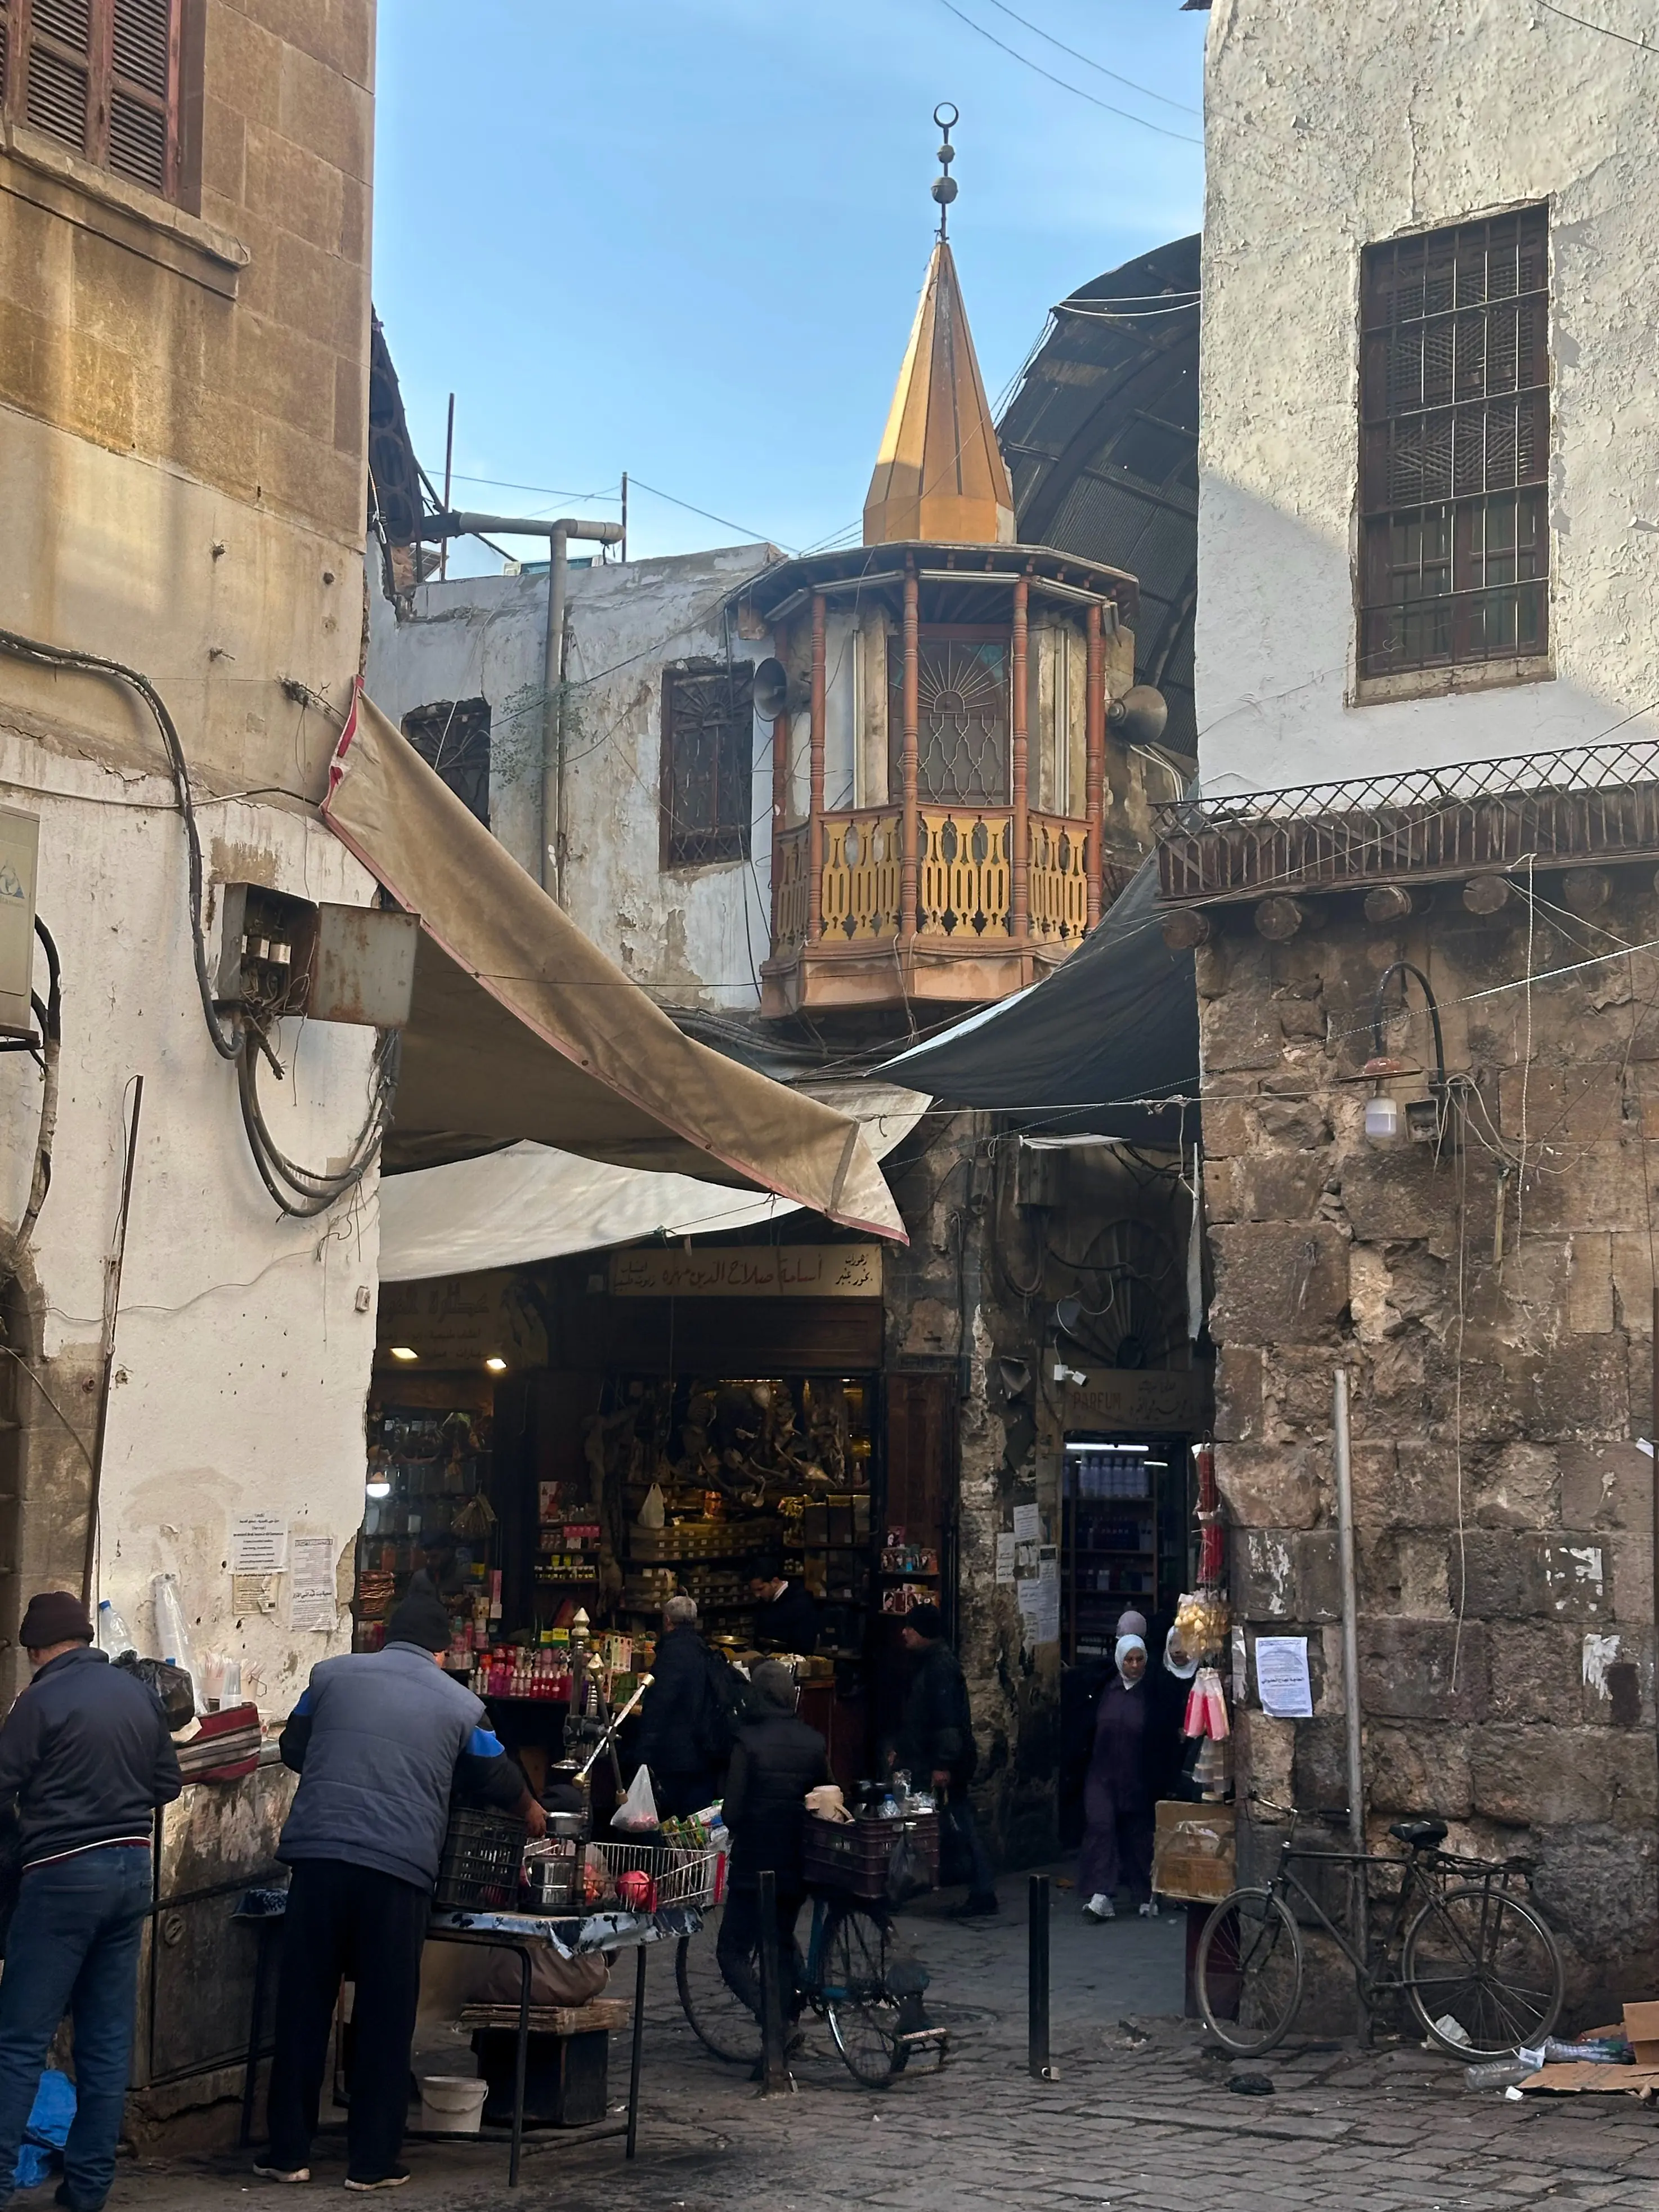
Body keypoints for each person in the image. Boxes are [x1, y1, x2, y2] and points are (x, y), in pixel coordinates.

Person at [258, 1591, 545, 2192]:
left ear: (384, 1637)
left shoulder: (330, 1676)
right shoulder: (462, 1706)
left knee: (305, 2005)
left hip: (317, 1858)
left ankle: (286, 2153)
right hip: (396, 1869)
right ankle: (370, 2164)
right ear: (442, 1651)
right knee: (386, 2016)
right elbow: (495, 1777)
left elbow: (293, 1748)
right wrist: (532, 1810)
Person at [0, 1589, 181, 2212]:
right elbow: (167, 1785)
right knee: (105, 2044)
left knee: (20, 2040)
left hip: (61, 1879)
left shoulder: (39, 1701)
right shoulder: (137, 1693)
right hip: (132, 1873)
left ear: (35, 1650)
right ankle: (88, 2191)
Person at [716, 1661, 830, 2043]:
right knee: (780, 1941)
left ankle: (774, 2021)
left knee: (732, 1951)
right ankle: (788, 2019)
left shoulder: (747, 1742)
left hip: (754, 1865)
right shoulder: (814, 1742)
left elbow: (732, 1812)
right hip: (797, 1862)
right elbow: (826, 1798)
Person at [893, 1604, 997, 1920]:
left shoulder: (940, 1668)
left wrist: (944, 1765)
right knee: (940, 1822)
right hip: (929, 1760)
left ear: (924, 1632)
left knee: (960, 1822)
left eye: (910, 1627)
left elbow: (948, 1723)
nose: (904, 1632)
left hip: (945, 1765)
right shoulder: (926, 1664)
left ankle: (982, 1890)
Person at [1078, 1629, 1187, 1922]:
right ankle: (1101, 1894)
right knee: (1101, 1828)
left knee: (1137, 1835)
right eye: (1129, 1660)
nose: (1135, 1666)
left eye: (1140, 1660)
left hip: (1137, 1774)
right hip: (1102, 1773)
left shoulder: (1153, 1693)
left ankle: (1145, 1892)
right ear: (1119, 1661)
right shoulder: (1105, 1688)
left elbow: (1164, 1734)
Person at [635, 1595, 729, 1818]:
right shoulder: (706, 1653)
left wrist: (642, 1756)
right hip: (705, 1754)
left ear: (667, 1621)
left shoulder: (670, 1656)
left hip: (674, 1757)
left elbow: (658, 1706)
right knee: (697, 1824)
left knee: (668, 1824)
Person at [749, 1572, 818, 1655]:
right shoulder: (764, 1603)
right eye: (754, 1591)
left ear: (775, 1582)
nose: (757, 1595)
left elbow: (804, 1643)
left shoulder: (800, 1603)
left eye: (761, 1589)